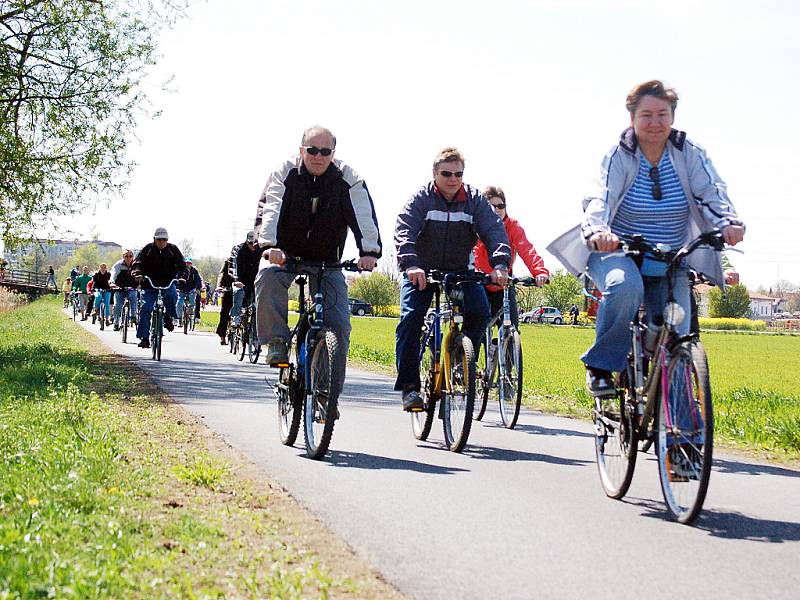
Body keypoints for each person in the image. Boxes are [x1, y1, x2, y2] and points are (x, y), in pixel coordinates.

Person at [547, 80, 745, 397]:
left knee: (678, 331)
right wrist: (598, 231)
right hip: (617, 249)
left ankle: (683, 439)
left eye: (662, 114)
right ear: (632, 119)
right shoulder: (619, 155)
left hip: (671, 256)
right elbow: (601, 197)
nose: (655, 122)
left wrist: (728, 222)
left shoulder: (688, 153)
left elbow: (712, 193)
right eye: (646, 115)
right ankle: (601, 367)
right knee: (625, 286)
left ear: (672, 117)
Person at [253, 125, 382, 367]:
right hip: (286, 256)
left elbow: (363, 215)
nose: (318, 156)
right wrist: (270, 246)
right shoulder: (284, 173)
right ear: (301, 150)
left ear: (334, 153)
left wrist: (369, 252)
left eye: (325, 151)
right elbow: (269, 209)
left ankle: (327, 399)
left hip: (327, 261)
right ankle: (278, 342)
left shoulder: (348, 179)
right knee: (267, 276)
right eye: (312, 150)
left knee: (340, 327)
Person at [395, 147, 511, 411]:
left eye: (458, 174)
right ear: (434, 173)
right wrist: (411, 265)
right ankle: (410, 387)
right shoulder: (421, 199)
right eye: (446, 173)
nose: (452, 179)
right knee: (410, 319)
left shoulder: (474, 201)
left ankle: (460, 361)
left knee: (480, 313)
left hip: (460, 271)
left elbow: (494, 231)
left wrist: (500, 264)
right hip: (421, 270)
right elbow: (404, 230)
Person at [473, 185, 549, 329]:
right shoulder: (476, 227)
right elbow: (472, 253)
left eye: (500, 206)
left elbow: (526, 249)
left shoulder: (512, 226)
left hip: (504, 284)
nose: (497, 210)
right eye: (491, 206)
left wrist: (539, 271)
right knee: (477, 331)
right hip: (480, 283)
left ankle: (508, 348)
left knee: (512, 328)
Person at [132, 227, 187, 348]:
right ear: (154, 239)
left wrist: (183, 276)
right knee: (145, 308)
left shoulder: (173, 249)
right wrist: (138, 273)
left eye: (164, 239)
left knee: (173, 295)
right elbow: (138, 263)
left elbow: (182, 266)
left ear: (167, 240)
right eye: (159, 239)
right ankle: (144, 338)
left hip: (167, 283)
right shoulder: (148, 249)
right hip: (150, 284)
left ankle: (168, 317)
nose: (161, 242)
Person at [229, 231, 262, 327]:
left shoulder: (260, 250)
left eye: (254, 244)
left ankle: (256, 330)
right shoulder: (238, 249)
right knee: (238, 292)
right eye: (250, 243)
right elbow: (232, 265)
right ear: (246, 241)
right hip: (240, 280)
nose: (252, 246)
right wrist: (236, 280)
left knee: (259, 302)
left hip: (255, 281)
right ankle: (235, 317)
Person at [110, 249, 139, 331]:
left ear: (133, 257)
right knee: (117, 305)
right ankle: (116, 323)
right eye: (126, 256)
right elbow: (113, 274)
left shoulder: (136, 265)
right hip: (119, 288)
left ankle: (133, 316)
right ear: (123, 256)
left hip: (132, 288)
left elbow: (141, 274)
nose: (128, 258)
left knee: (133, 297)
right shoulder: (118, 265)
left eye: (130, 256)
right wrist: (112, 282)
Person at [176, 257, 202, 324]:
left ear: (191, 264)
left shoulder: (194, 271)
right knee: (179, 302)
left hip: (191, 289)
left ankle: (190, 314)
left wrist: (197, 288)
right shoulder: (181, 270)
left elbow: (198, 280)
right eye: (187, 263)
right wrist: (177, 288)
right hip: (182, 289)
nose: (188, 264)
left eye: (189, 263)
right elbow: (177, 279)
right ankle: (178, 317)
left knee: (192, 302)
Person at [216, 255, 234, 345]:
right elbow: (222, 274)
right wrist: (219, 286)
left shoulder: (246, 258)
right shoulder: (228, 262)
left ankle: (247, 336)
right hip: (228, 289)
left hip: (242, 288)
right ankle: (222, 337)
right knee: (224, 313)